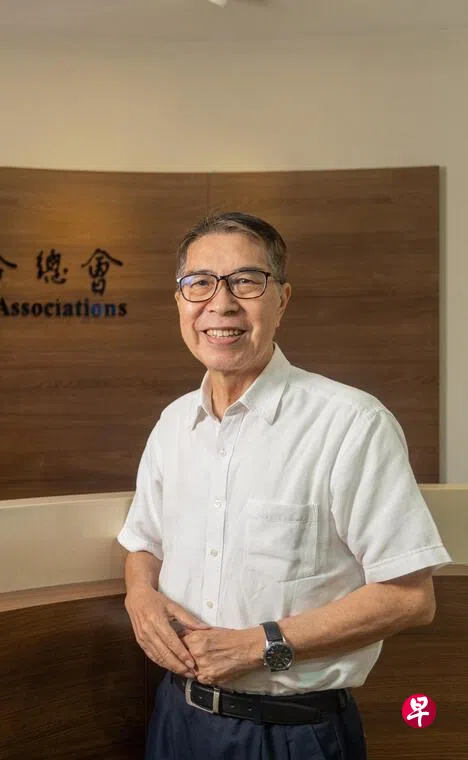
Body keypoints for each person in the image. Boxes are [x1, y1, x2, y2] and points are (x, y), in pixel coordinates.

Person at [116, 212, 451, 760]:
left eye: (246, 282)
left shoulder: (350, 423)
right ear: (179, 301)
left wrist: (260, 644)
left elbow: (411, 598)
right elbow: (144, 543)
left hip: (291, 733)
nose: (221, 304)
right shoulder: (173, 424)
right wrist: (140, 596)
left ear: (282, 300)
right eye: (199, 283)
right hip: (175, 717)